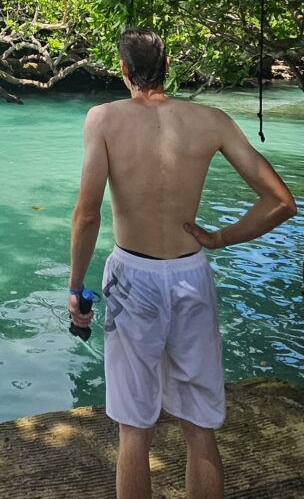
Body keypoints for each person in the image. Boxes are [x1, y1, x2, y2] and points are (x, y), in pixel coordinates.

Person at [68, 27, 296, 499]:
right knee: (199, 425)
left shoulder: (104, 120)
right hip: (192, 273)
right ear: (167, 68)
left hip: (133, 277)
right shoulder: (211, 120)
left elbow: (88, 213)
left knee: (134, 427)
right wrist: (221, 237)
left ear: (124, 71)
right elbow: (280, 202)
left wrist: (76, 287)